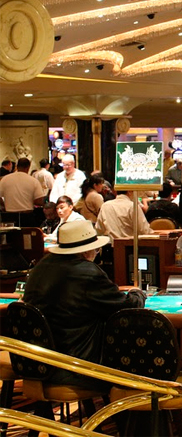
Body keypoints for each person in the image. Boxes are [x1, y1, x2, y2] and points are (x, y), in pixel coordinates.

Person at [23, 220, 146, 391]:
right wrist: (138, 293)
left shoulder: (41, 266)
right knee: (141, 357)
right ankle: (146, 400)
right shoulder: (88, 273)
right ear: (86, 251)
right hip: (77, 366)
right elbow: (127, 308)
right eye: (96, 249)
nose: (97, 253)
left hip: (35, 362)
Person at [0, 157, 44, 226]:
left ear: (17, 167)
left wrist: (4, 204)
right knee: (27, 232)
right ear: (28, 167)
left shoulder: (5, 179)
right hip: (27, 215)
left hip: (9, 215)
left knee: (10, 233)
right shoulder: (33, 181)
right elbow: (39, 201)